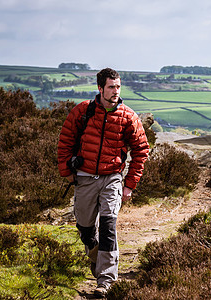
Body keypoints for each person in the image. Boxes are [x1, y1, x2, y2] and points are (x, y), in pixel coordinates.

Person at [57, 68, 149, 296]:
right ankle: (98, 259)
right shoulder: (82, 111)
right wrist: (66, 170)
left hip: (112, 178)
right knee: (86, 230)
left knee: (108, 225)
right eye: (111, 86)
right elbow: (65, 140)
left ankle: (105, 280)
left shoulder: (129, 116)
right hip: (85, 178)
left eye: (118, 86)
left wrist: (129, 184)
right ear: (100, 88)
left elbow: (141, 150)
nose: (116, 91)